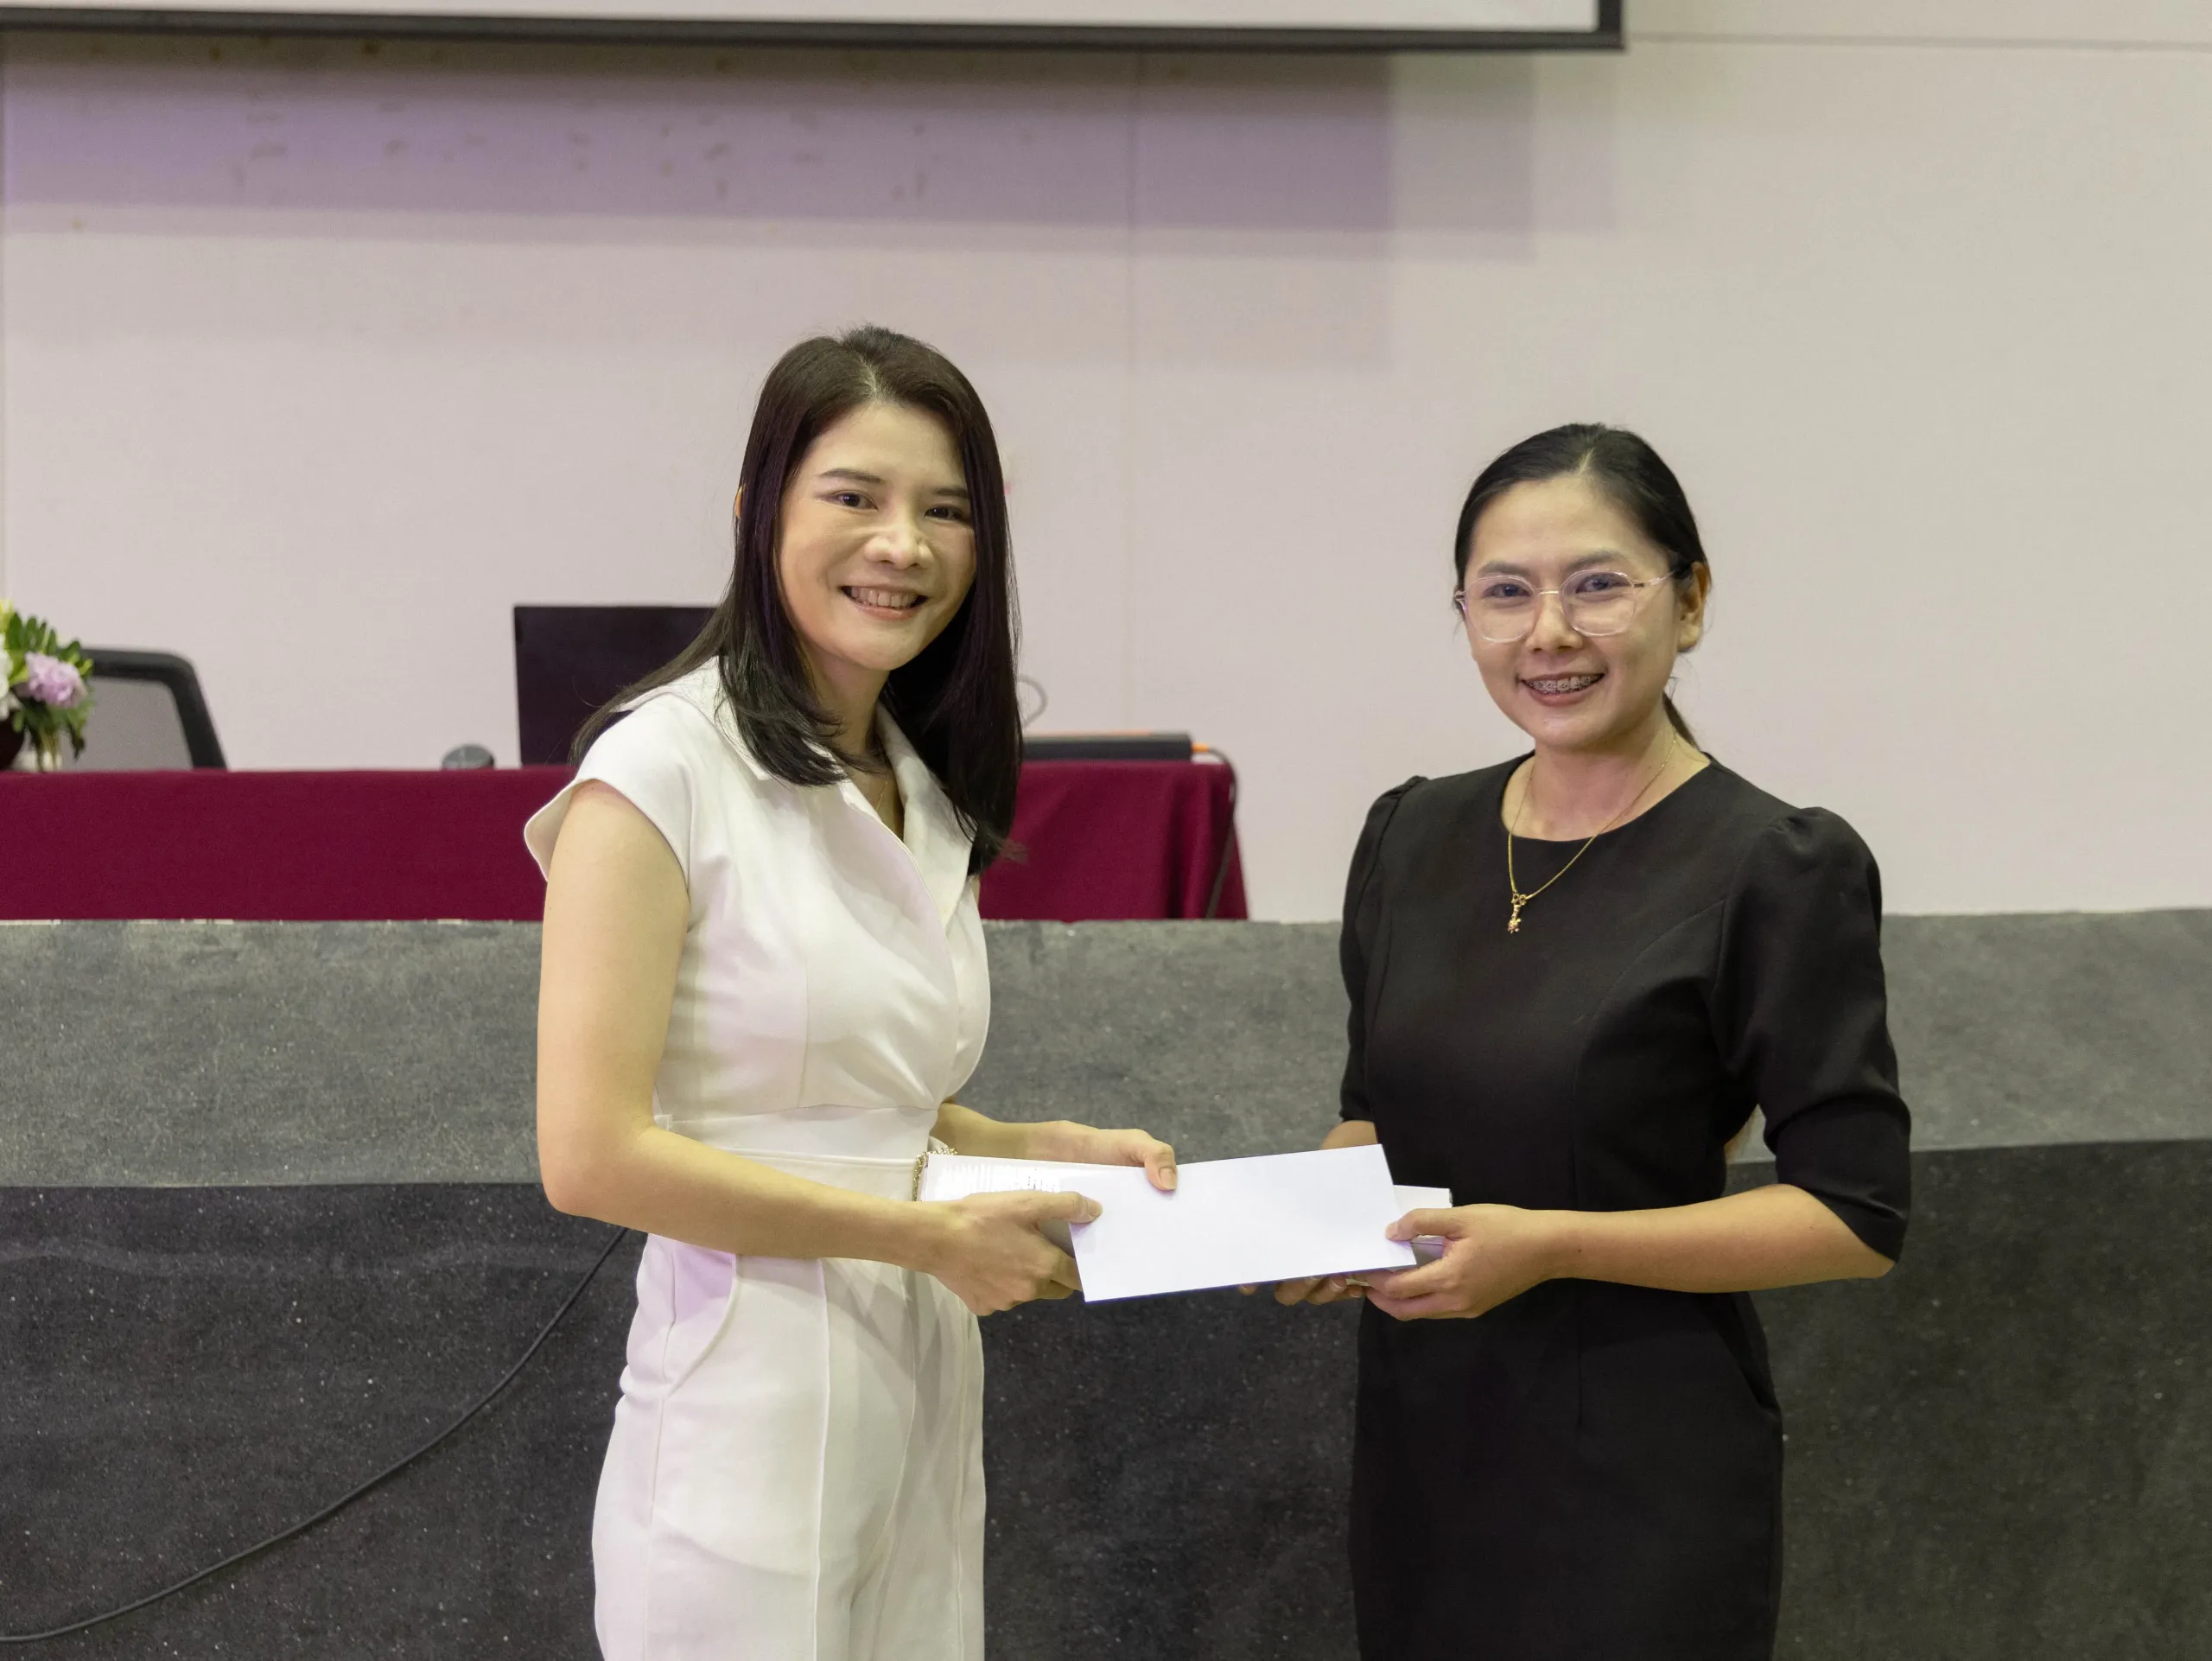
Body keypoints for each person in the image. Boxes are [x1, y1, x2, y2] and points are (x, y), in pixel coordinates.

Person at [527, 326, 1175, 1661]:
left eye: (946, 510)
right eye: (855, 496)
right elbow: (590, 1155)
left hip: (917, 1381)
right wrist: (925, 1237)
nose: (903, 544)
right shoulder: (657, 770)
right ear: (758, 509)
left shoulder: (920, 782)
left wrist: (1031, 1144)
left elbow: (860, 1093)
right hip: (742, 1403)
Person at [1273, 424, 1911, 1658]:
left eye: (1598, 585)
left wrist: (1554, 1244)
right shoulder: (1411, 834)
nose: (1549, 633)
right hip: (1426, 1445)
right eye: (1505, 593)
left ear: (1692, 599)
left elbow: (1855, 1216)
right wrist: (1307, 1215)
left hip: (1637, 1461)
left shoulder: (1775, 864)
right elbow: (1376, 1116)